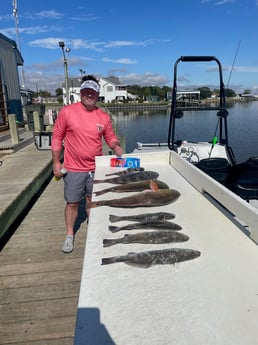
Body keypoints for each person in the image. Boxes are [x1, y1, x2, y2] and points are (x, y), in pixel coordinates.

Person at [51, 75, 123, 253]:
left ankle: (94, 231)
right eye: (86, 91)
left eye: (93, 92)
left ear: (98, 94)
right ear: (81, 92)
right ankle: (69, 235)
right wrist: (56, 162)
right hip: (73, 168)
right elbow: (57, 137)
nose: (89, 95)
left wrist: (116, 146)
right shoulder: (67, 112)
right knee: (72, 203)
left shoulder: (103, 117)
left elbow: (110, 137)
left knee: (93, 201)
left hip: (96, 168)